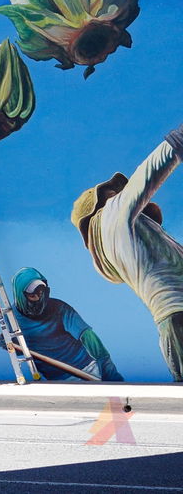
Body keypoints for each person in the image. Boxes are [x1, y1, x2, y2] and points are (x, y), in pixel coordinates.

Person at [71, 124, 183, 381]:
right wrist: (177, 140)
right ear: (101, 203)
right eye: (116, 191)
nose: (122, 192)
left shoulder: (123, 244)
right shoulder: (112, 214)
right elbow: (148, 174)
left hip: (172, 321)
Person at [10, 267, 121, 381]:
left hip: (85, 370)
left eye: (41, 292)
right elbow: (22, 348)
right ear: (21, 296)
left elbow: (87, 335)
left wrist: (107, 366)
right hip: (55, 379)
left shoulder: (59, 308)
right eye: (32, 295)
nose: (38, 298)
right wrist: (9, 343)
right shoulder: (12, 316)